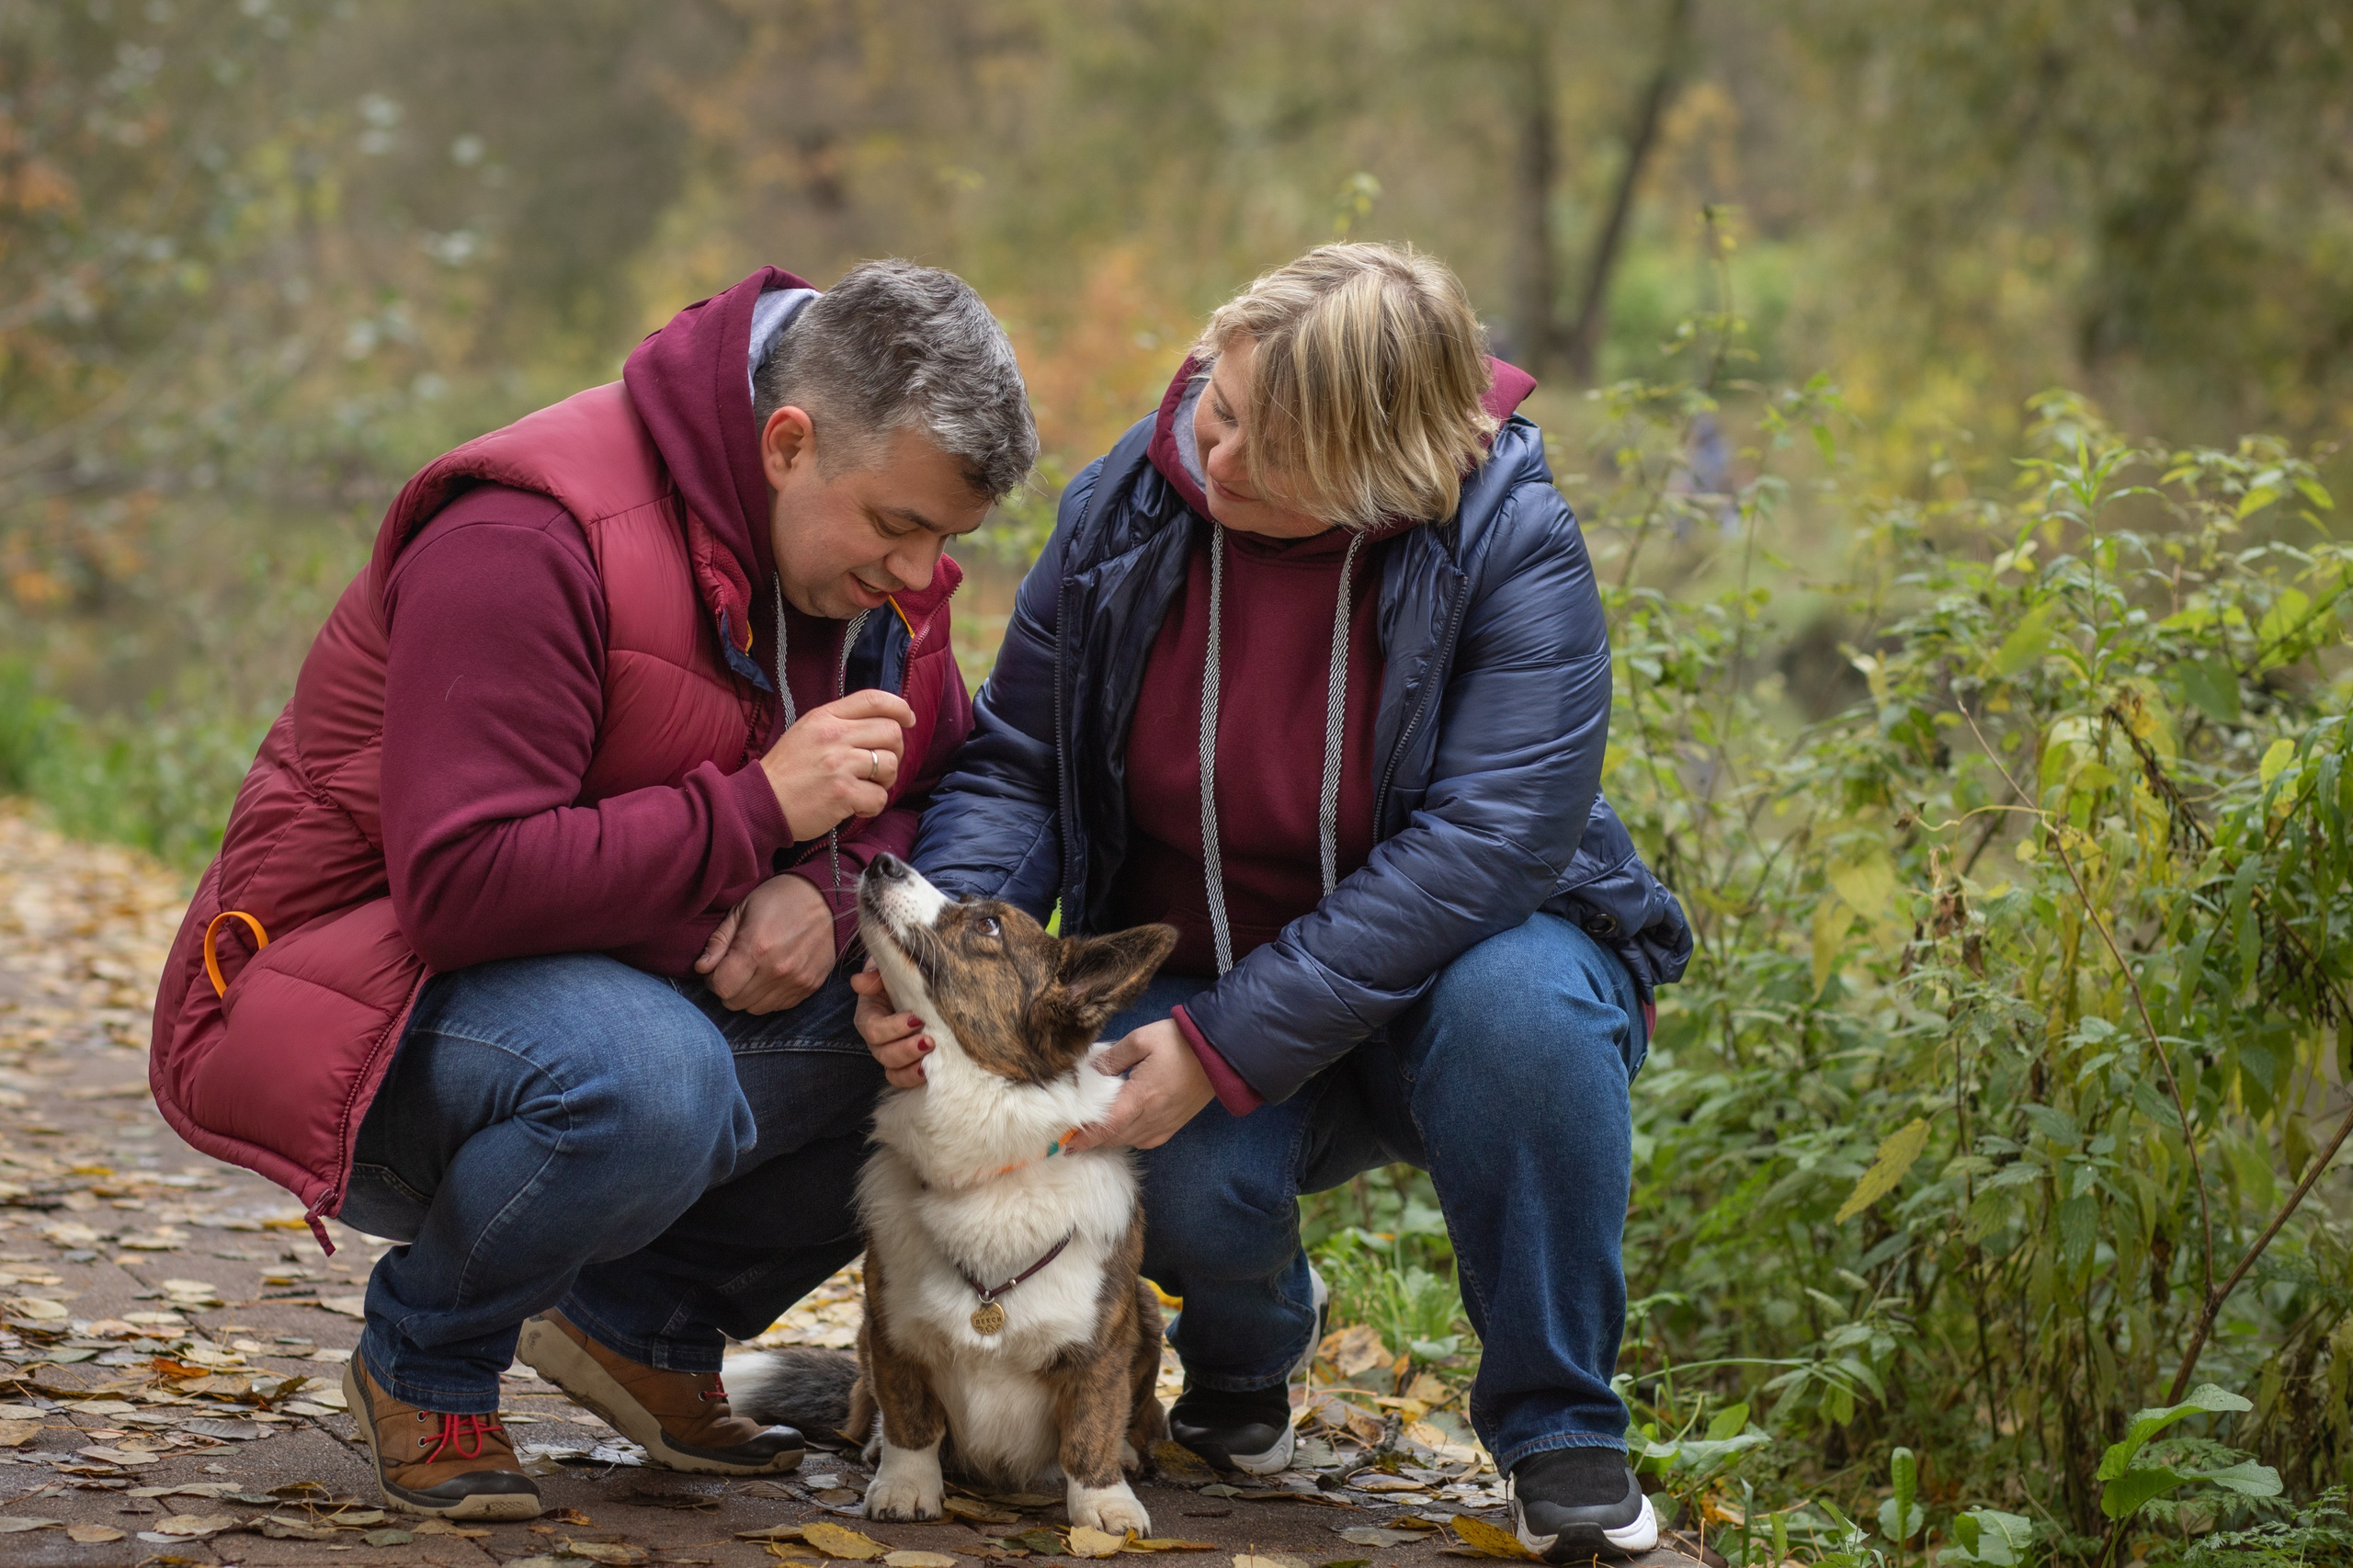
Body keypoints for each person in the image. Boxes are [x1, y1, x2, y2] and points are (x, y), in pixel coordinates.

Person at [149, 262, 1038, 1519]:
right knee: (651, 1082)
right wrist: (759, 815)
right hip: (366, 993)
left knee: (939, 1042)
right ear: (787, 442)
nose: (918, 569)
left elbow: (929, 783)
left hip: (622, 967)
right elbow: (460, 886)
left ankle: (642, 1325)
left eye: (947, 541)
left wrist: (830, 896)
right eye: (898, 528)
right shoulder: (525, 529)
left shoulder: (865, 563)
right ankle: (429, 1358)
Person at [858, 244, 1690, 1562]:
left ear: (1386, 461)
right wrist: (943, 940)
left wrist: (1223, 1045)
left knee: (1529, 1017)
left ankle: (1561, 1430)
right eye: (1220, 403)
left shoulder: (1509, 542)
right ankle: (1245, 1353)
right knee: (1143, 1156)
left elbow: (1484, 845)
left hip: (1453, 980)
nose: (1219, 453)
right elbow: (1018, 761)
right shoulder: (1125, 507)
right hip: (1198, 967)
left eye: (1275, 443)